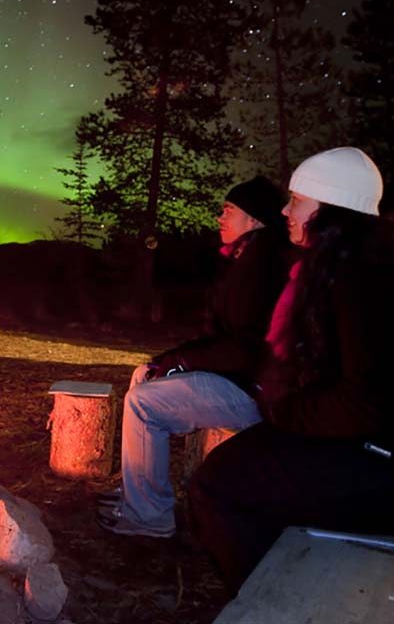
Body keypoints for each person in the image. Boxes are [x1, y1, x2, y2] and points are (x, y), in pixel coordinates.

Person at [188, 147, 394, 592]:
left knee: (218, 484)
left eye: (297, 200)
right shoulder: (363, 258)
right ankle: (293, 579)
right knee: (249, 464)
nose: (286, 210)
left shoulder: (369, 272)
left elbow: (368, 401)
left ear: (329, 207)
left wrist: (283, 410)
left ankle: (277, 605)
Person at [98, 176, 295, 538]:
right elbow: (222, 337)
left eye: (228, 210)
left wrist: (182, 361)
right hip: (239, 379)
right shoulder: (246, 259)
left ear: (253, 220)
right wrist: (170, 360)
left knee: (144, 403)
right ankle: (138, 496)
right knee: (143, 377)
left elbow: (246, 348)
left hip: (255, 393)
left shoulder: (262, 268)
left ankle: (150, 517)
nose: (220, 217)